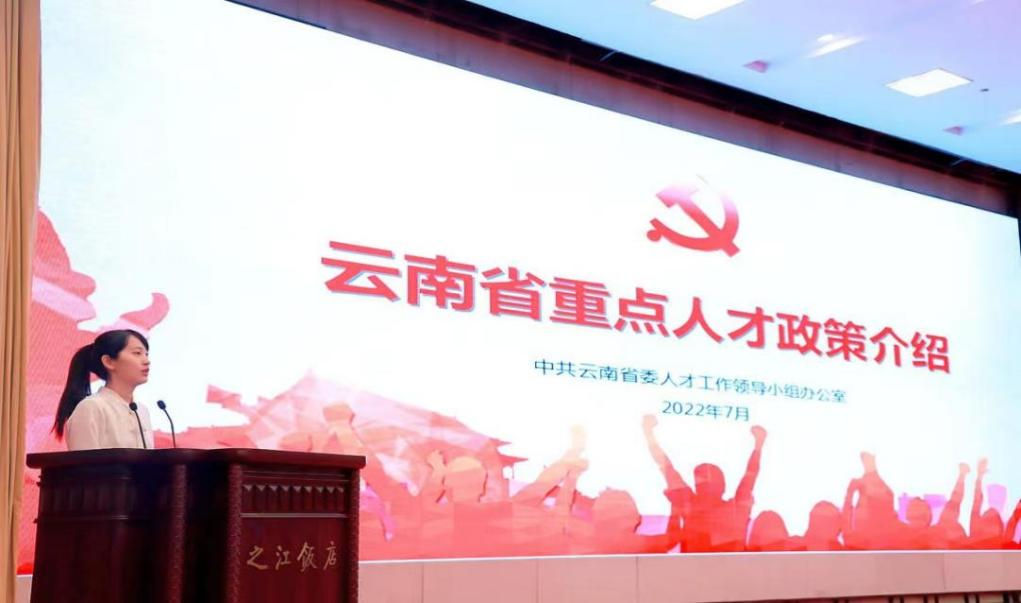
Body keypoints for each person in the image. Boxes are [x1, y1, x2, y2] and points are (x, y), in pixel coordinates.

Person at [53, 329, 154, 450]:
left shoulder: (142, 411)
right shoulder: (91, 408)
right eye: (137, 353)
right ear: (109, 361)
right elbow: (84, 461)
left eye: (146, 354)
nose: (147, 361)